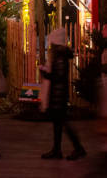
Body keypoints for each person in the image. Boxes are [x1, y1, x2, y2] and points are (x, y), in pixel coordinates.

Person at [40, 28, 86, 160]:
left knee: (63, 122)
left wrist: (44, 73)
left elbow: (58, 76)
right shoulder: (61, 54)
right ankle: (57, 150)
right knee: (59, 123)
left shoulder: (59, 55)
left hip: (58, 94)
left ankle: (77, 148)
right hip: (58, 94)